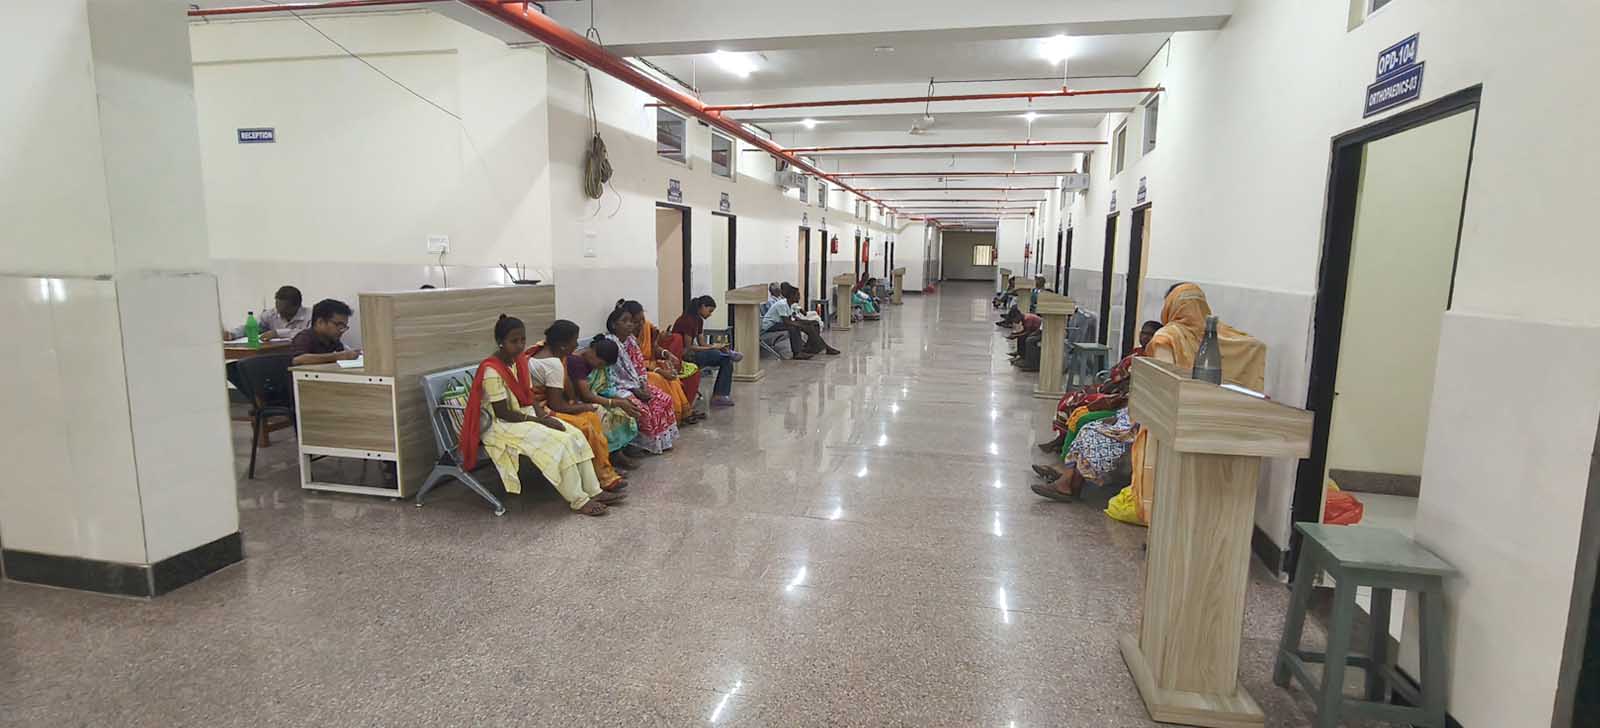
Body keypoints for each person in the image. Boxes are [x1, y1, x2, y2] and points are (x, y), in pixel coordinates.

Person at [457, 315, 623, 517]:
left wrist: (544, 417)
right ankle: (579, 500)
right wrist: (538, 421)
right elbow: (503, 412)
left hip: (524, 415)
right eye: (513, 341)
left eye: (522, 340)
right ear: (500, 342)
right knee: (561, 443)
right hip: (501, 425)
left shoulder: (518, 362)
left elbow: (529, 396)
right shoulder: (492, 370)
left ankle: (594, 490)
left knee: (575, 435)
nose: (520, 346)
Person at [526, 320, 632, 491]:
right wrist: (584, 407)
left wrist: (575, 402)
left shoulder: (548, 351)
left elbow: (565, 386)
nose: (577, 346)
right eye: (574, 341)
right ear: (562, 345)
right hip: (541, 410)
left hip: (549, 404)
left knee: (592, 417)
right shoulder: (552, 364)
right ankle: (602, 478)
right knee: (586, 425)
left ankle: (604, 470)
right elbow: (556, 405)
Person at [1037, 320, 1160, 452]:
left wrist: (1105, 388)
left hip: (1120, 398)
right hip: (1110, 388)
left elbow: (1125, 382)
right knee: (1069, 397)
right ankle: (1062, 439)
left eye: (1150, 335)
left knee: (1076, 402)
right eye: (1143, 333)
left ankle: (1063, 443)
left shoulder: (1150, 359)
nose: (1145, 337)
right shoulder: (1137, 352)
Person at [602, 304, 681, 453]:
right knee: (642, 408)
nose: (630, 325)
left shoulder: (631, 342)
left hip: (635, 384)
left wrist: (643, 385)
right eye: (625, 321)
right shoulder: (609, 344)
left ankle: (660, 442)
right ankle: (640, 444)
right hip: (616, 387)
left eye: (631, 321)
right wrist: (635, 390)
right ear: (613, 325)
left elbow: (639, 366)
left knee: (663, 399)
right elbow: (610, 375)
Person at [619, 300, 701, 425]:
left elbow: (655, 347)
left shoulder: (647, 327)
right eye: (636, 321)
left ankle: (682, 413)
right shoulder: (624, 338)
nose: (641, 324)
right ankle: (671, 416)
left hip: (650, 364)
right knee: (659, 378)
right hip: (637, 372)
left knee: (674, 375)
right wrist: (658, 370)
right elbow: (630, 365)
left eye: (642, 319)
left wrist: (666, 354)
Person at [568, 335, 644, 458]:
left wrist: (622, 401)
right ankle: (612, 454)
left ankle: (622, 447)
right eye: (600, 364)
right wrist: (616, 402)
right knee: (604, 415)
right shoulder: (576, 362)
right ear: (593, 351)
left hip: (595, 397)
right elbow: (586, 396)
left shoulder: (597, 366)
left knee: (625, 409)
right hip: (578, 401)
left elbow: (605, 388)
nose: (600, 367)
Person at [671, 295, 742, 407]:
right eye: (709, 311)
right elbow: (689, 347)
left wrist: (715, 346)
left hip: (693, 352)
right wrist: (712, 347)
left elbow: (702, 343)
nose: (710, 314)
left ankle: (726, 354)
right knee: (724, 358)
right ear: (703, 306)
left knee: (725, 359)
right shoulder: (687, 321)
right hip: (684, 355)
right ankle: (719, 395)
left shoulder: (698, 320)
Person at [762, 283, 838, 360]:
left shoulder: (789, 304)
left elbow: (795, 319)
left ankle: (810, 347)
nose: (799, 297)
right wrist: (802, 326)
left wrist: (808, 322)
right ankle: (798, 353)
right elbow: (787, 322)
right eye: (797, 295)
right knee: (794, 327)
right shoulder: (782, 304)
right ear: (792, 296)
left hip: (780, 323)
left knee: (814, 323)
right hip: (770, 326)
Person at [289, 298, 361, 366]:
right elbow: (298, 359)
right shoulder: (304, 337)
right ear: (320, 322)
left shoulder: (333, 340)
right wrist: (338, 356)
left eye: (344, 326)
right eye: (338, 325)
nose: (342, 330)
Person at [224, 285, 310, 340]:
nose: (279, 312)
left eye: (284, 310)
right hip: (275, 352)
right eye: (277, 308)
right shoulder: (271, 314)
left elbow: (307, 334)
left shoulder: (311, 315)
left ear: (297, 306)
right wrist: (233, 334)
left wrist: (277, 333)